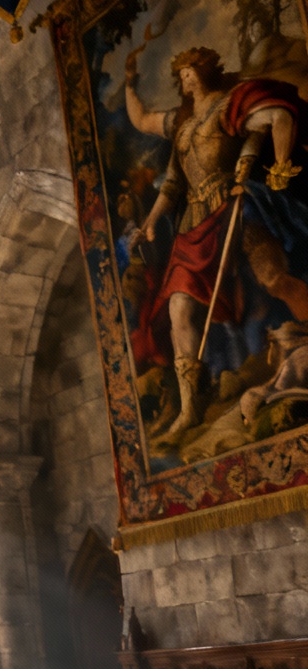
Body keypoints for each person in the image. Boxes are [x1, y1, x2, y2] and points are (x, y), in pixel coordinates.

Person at [124, 46, 308, 444]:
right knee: (179, 307)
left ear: (206, 71)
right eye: (182, 73)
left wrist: (276, 168)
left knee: (273, 278)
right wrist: (150, 223)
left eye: (191, 69)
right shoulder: (180, 124)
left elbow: (278, 115)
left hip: (235, 208)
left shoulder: (230, 105)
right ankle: (190, 408)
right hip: (193, 224)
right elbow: (169, 177)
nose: (186, 77)